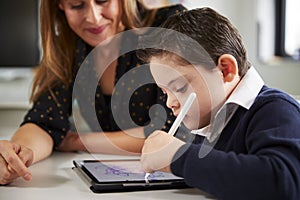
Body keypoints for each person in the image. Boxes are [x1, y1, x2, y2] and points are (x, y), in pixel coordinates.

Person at [0, 0, 186, 185]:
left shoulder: (169, 25)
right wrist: (15, 155)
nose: (94, 18)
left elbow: (172, 133)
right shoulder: (68, 44)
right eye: (77, 5)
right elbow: (44, 121)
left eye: (103, 1)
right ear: (60, 6)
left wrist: (76, 141)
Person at [138, 7, 300, 200]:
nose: (170, 103)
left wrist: (177, 156)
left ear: (225, 70)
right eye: (165, 92)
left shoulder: (276, 110)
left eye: (180, 88)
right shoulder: (211, 123)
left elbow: (283, 183)